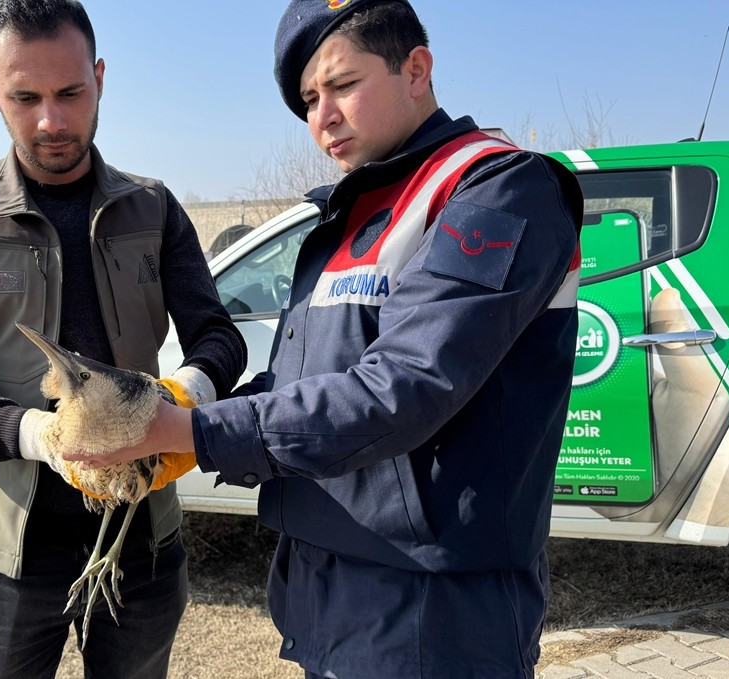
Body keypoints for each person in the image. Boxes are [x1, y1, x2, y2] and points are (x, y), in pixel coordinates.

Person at [71, 1, 583, 677]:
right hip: (328, 581)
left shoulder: (495, 191)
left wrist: (192, 432)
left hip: (433, 604)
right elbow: (305, 383)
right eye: (309, 100)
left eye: (342, 85)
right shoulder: (355, 210)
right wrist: (183, 417)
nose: (323, 117)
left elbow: (401, 389)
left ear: (416, 69)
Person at [0, 1, 247, 676]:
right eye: (25, 98)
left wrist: (177, 400)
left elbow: (218, 336)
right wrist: (38, 436)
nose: (51, 121)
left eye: (71, 93)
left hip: (143, 539)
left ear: (100, 78)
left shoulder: (154, 208)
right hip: (7, 559)